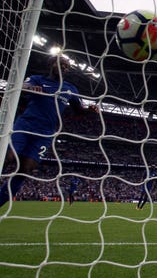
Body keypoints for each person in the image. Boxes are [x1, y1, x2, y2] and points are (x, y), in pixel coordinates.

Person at [0, 56, 98, 209]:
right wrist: (32, 88)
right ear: (51, 65)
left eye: (66, 66)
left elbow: (78, 110)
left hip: (45, 134)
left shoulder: (70, 89)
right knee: (7, 157)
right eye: (61, 64)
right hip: (25, 126)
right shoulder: (37, 79)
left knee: (25, 170)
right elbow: (23, 86)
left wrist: (90, 111)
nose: (64, 68)